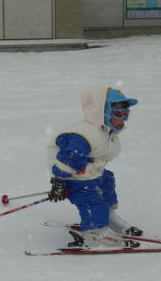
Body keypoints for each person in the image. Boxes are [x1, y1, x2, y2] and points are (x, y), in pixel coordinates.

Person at [47, 84, 142, 248]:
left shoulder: (108, 132)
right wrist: (60, 182)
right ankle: (95, 232)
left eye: (126, 114)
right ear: (102, 112)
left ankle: (109, 216)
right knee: (91, 198)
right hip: (72, 177)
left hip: (92, 173)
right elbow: (68, 158)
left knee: (107, 181)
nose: (123, 120)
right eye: (118, 113)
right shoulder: (86, 135)